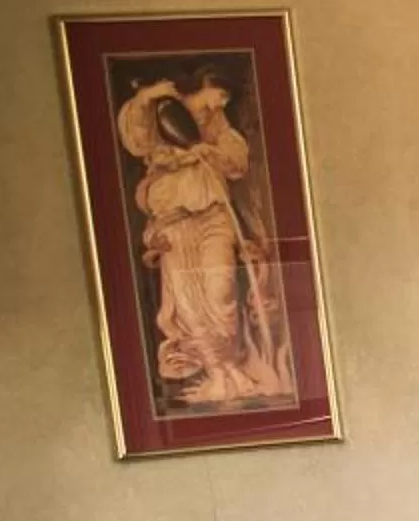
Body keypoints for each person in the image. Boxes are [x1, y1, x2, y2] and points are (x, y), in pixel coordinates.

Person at [115, 64, 292, 410]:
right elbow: (137, 142)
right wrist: (147, 96)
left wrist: (206, 152)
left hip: (213, 214)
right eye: (218, 95)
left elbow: (236, 161)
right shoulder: (159, 108)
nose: (220, 105)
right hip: (175, 222)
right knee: (189, 303)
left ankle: (236, 369)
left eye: (227, 99)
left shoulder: (217, 125)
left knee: (220, 290)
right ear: (203, 85)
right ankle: (219, 375)